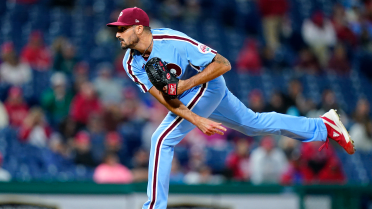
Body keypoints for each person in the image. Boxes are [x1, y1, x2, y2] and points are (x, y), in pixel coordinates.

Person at [107, 7, 354, 209]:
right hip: (194, 98)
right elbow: (165, 99)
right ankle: (323, 126)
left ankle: (153, 207)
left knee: (160, 139)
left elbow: (223, 64)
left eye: (122, 29)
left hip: (210, 86)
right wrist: (195, 118)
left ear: (139, 28)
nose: (117, 34)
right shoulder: (131, 62)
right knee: (254, 124)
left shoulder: (173, 41)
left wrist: (186, 84)